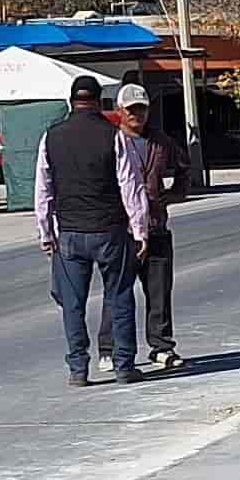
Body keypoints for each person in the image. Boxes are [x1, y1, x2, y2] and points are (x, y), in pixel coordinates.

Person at [33, 76, 152, 386]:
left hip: (69, 233)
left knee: (72, 303)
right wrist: (140, 230)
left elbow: (43, 190)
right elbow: (131, 185)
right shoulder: (114, 136)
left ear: (71, 101)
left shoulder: (51, 137)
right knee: (120, 296)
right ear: (100, 101)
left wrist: (46, 233)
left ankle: (78, 369)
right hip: (109, 230)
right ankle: (124, 366)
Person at [115, 81, 182, 372]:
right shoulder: (113, 141)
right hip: (122, 230)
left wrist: (174, 193)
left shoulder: (161, 141)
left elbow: (184, 167)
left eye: (141, 109)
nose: (136, 115)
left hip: (155, 225)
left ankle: (161, 346)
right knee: (118, 293)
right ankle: (114, 349)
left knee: (159, 291)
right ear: (120, 111)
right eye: (131, 110)